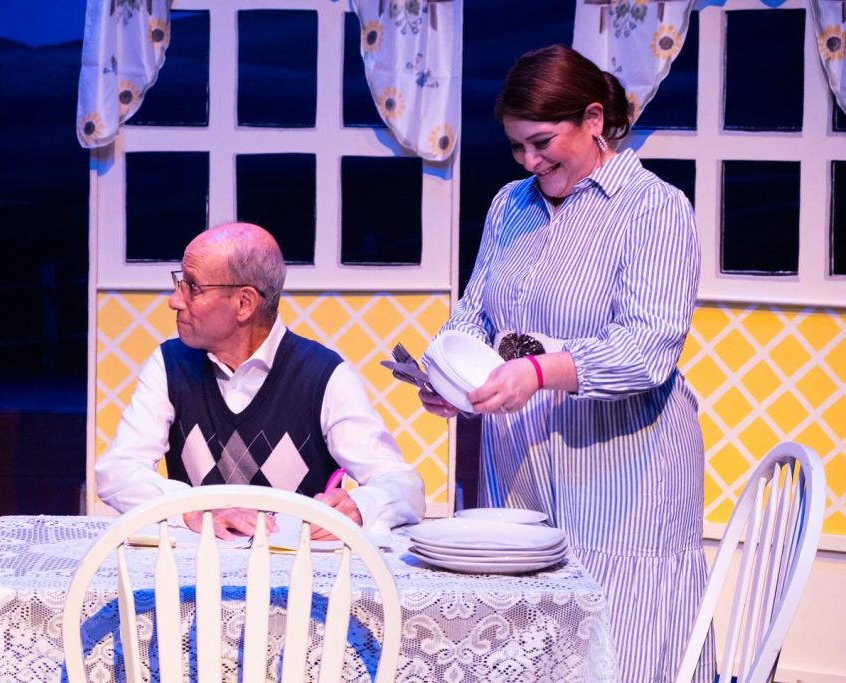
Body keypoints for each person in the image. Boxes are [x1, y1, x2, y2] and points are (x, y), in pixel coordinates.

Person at [420, 45, 711, 682]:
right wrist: (446, 376)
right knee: (525, 638)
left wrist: (542, 372)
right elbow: (476, 313)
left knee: (621, 647)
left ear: (594, 119)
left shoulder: (653, 210)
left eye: (543, 141)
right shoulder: (510, 205)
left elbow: (646, 349)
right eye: (517, 146)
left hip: (619, 469)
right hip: (520, 458)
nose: (530, 160)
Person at [97, 221, 426, 540]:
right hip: (195, 580)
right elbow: (117, 471)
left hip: (300, 584)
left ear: (244, 303)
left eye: (192, 287)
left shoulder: (323, 375)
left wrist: (360, 507)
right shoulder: (170, 365)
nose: (175, 300)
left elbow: (404, 486)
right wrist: (191, 511)